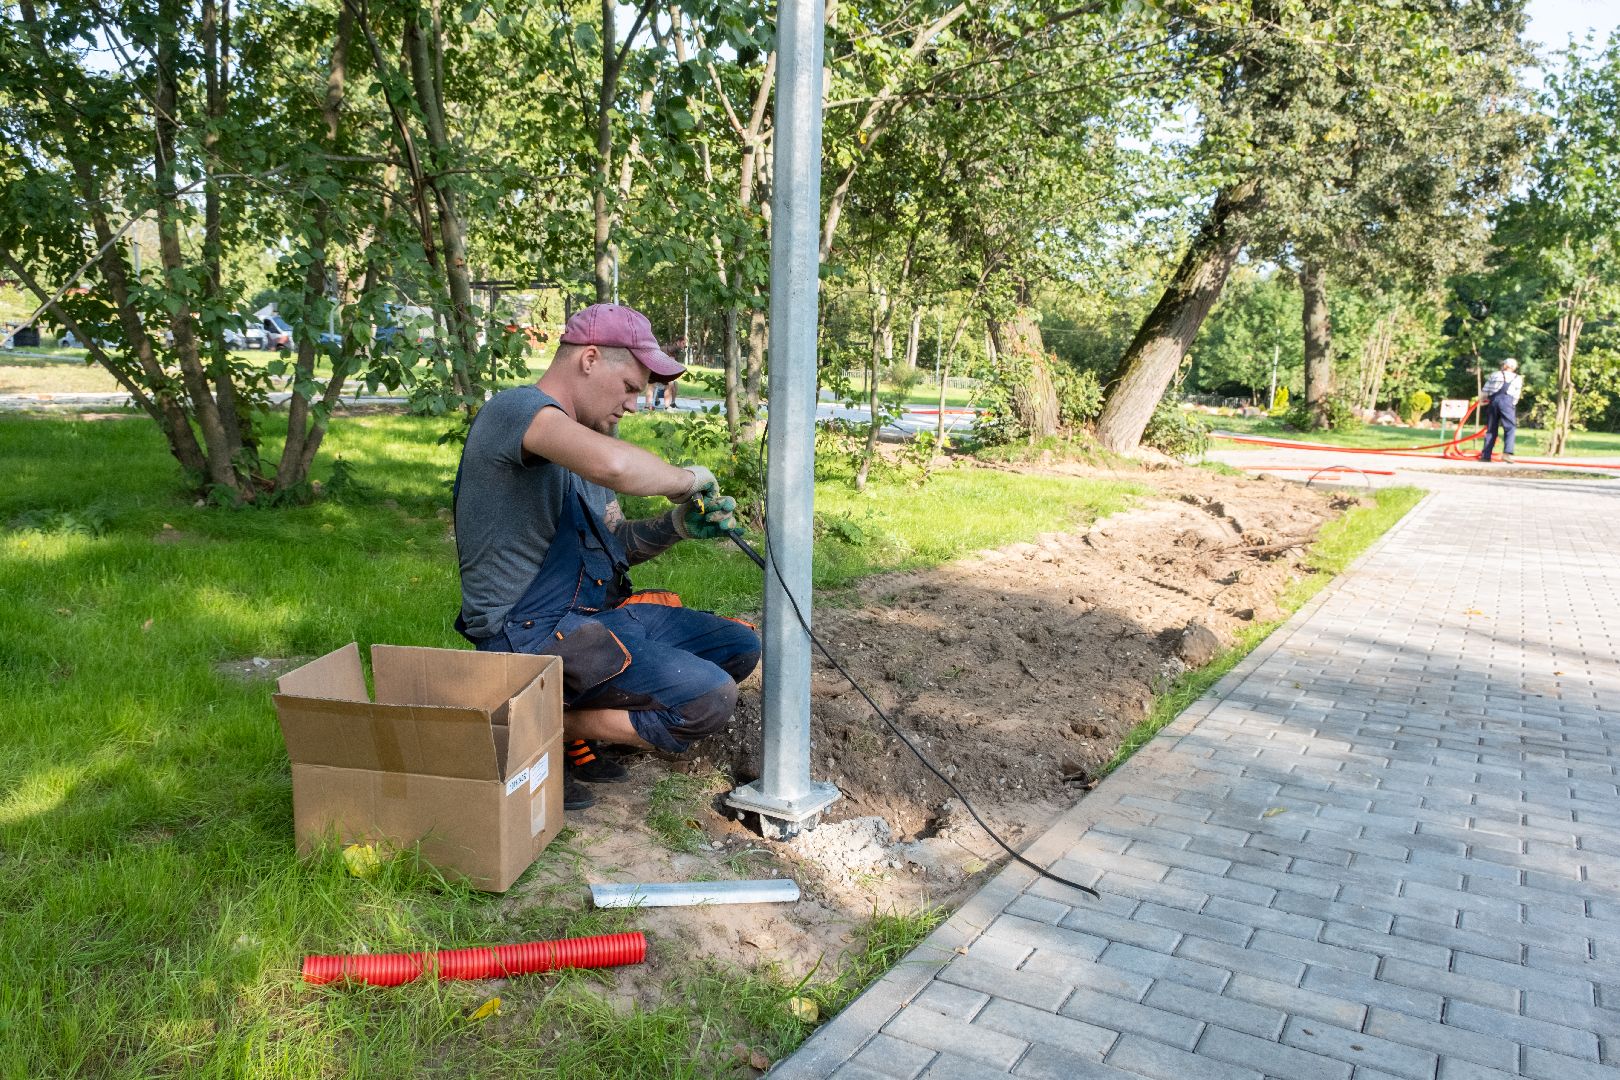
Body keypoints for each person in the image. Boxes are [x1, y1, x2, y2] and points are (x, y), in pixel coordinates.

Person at [453, 303, 757, 811]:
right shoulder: (515, 412)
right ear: (590, 359)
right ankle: (537, 722)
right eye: (631, 387)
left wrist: (676, 526)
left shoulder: (584, 442)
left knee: (739, 646)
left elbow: (613, 545)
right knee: (708, 697)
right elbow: (617, 467)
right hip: (525, 634)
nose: (634, 405)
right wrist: (688, 480)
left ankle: (568, 716)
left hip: (591, 622)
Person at [1477, 357, 1523, 463]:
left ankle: (1485, 456)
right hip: (1507, 402)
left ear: (1505, 366)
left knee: (1491, 429)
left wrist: (1482, 401)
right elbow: (1516, 396)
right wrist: (1512, 405)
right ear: (1514, 368)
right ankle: (1507, 453)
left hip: (1493, 402)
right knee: (1510, 427)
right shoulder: (1518, 378)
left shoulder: (1495, 374)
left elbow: (1485, 391)